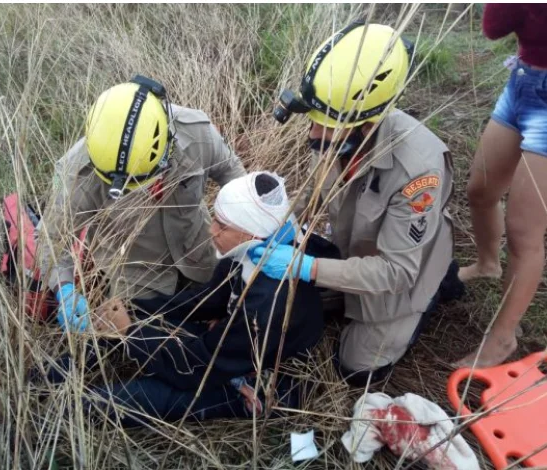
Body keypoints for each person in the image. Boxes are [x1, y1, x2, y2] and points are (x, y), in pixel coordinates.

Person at [36, 172, 331, 427]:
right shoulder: (254, 252)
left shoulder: (271, 299)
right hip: (231, 347)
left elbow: (197, 368)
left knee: (150, 396)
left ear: (251, 232)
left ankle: (64, 413)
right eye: (215, 219)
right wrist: (133, 311)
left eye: (222, 226)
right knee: (131, 320)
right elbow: (203, 302)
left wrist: (131, 332)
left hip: (259, 380)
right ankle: (43, 379)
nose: (211, 230)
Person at [250, 22, 457, 386]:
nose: (313, 134)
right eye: (312, 121)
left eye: (324, 126)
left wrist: (309, 268)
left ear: (368, 124)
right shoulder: (336, 135)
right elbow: (323, 201)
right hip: (352, 251)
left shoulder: (417, 171)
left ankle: (435, 291)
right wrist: (290, 229)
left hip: (403, 270)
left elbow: (397, 272)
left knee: (356, 369)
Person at [37, 75, 245, 332]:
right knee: (152, 344)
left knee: (233, 317)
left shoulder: (194, 130)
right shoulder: (75, 172)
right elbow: (50, 240)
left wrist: (247, 231)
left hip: (199, 250)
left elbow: (233, 173)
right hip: (137, 273)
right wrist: (65, 290)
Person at [456, 5, 547, 368]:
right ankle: (487, 264)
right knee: (480, 191)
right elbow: (494, 27)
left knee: (524, 230)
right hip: (523, 84)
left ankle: (503, 337)